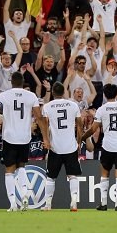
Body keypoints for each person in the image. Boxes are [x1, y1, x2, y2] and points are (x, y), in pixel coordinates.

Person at [0, 72, 45, 211]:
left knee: (9, 170)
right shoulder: (31, 96)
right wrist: (46, 137)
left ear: (11, 81)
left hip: (9, 136)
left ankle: (13, 203)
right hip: (24, 136)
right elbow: (39, 117)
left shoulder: (4, 95)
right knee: (22, 166)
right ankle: (24, 195)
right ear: (23, 82)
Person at [82, 83, 117, 211]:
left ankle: (104, 203)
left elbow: (94, 128)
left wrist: (82, 137)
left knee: (104, 174)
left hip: (107, 146)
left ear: (105, 95)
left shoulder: (101, 109)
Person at [41, 82, 83, 211]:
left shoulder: (47, 106)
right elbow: (80, 126)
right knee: (73, 176)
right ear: (64, 92)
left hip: (55, 147)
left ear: (53, 92)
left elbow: (44, 124)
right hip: (70, 146)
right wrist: (79, 142)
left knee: (50, 177)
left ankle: (48, 204)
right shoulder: (73, 105)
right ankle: (74, 202)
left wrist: (46, 140)